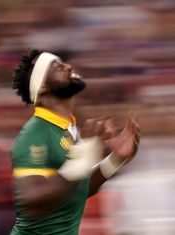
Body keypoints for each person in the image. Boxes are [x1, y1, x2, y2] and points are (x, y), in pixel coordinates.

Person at [10, 49, 140, 235]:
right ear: (43, 87)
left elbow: (75, 191)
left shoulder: (68, 131)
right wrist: (83, 157)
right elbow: (32, 201)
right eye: (56, 66)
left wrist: (115, 160)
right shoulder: (34, 134)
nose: (67, 66)